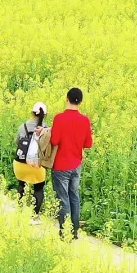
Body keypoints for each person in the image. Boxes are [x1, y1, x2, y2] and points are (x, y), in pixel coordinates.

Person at [49, 87, 93, 238]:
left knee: (63, 199)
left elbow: (54, 140)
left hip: (61, 165)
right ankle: (74, 232)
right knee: (74, 196)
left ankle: (65, 232)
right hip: (76, 165)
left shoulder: (59, 118)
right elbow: (88, 144)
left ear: (66, 98)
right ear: (80, 102)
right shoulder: (85, 120)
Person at [14, 102, 49, 222]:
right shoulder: (47, 130)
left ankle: (19, 212)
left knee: (21, 185)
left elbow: (17, 143)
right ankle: (34, 217)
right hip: (37, 166)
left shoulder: (22, 127)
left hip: (20, 163)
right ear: (46, 115)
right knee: (38, 189)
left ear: (32, 113)